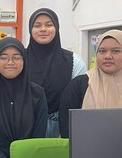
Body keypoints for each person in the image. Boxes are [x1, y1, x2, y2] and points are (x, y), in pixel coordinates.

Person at [59, 29, 122, 138]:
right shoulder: (79, 86)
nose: (107, 56)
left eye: (115, 51)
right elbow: (67, 129)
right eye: (102, 51)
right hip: (86, 148)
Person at [26, 8, 86, 137]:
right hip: (25, 127)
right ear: (30, 29)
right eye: (37, 25)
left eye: (49, 25)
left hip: (62, 129)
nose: (43, 29)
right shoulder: (19, 60)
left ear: (57, 28)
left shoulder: (74, 61)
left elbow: (79, 98)